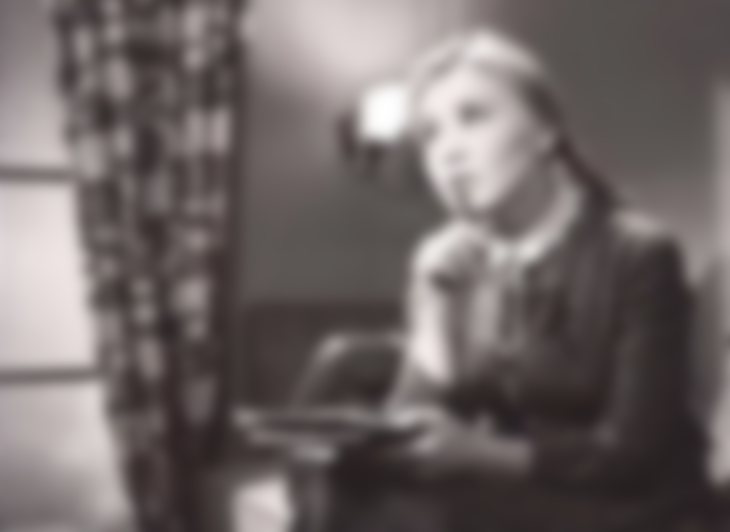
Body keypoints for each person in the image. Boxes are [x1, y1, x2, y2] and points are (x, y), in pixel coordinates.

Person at [290, 30, 713, 532]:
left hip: (626, 502)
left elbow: (631, 453)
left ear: (545, 131)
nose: (448, 152)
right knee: (343, 479)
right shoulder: (454, 261)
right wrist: (433, 303)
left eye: (473, 117)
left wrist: (478, 452)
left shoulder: (640, 252)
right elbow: (410, 427)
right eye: (430, 135)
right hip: (520, 490)